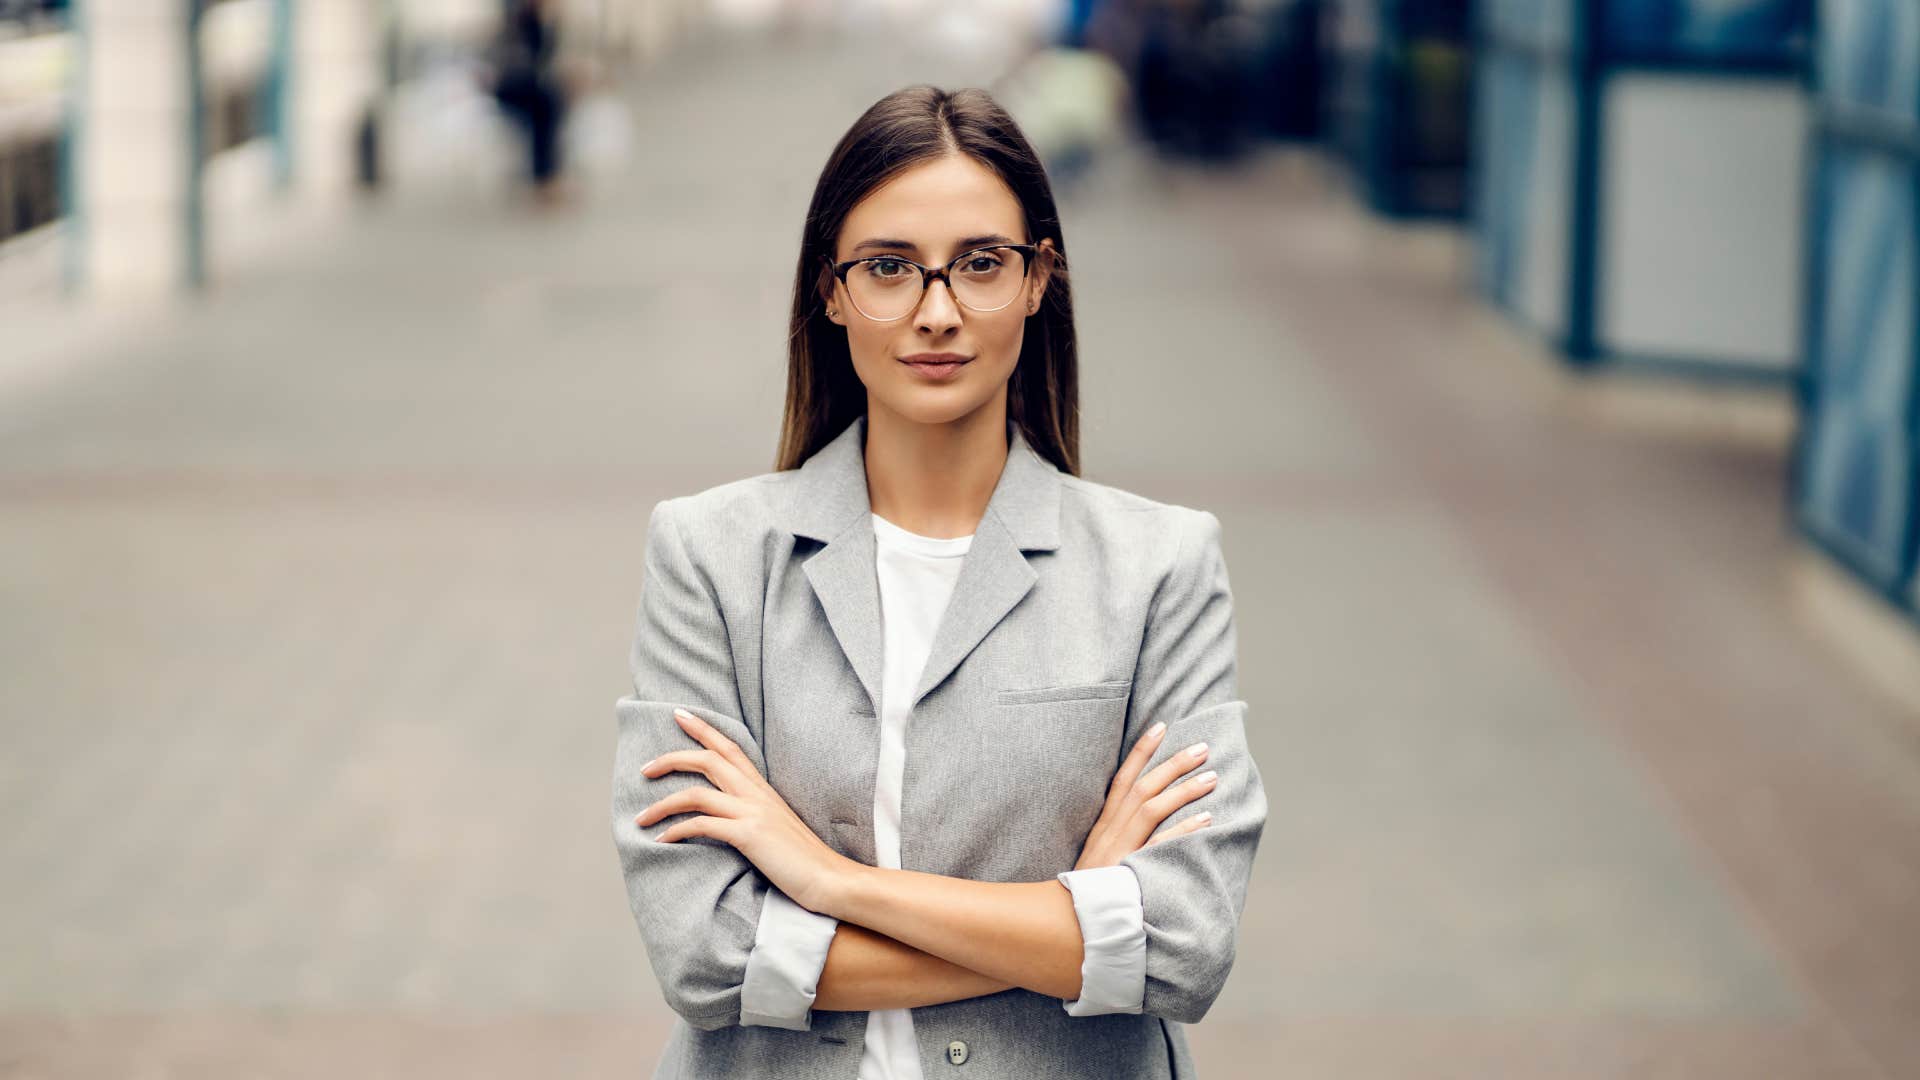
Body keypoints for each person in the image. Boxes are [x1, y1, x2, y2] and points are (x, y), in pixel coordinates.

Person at [609, 85, 1266, 1079]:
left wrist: (825, 881)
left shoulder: (1158, 568)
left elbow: (1184, 944)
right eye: (888, 269)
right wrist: (1067, 922)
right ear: (830, 291)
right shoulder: (710, 557)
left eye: (981, 264)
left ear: (1040, 279)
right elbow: (704, 952)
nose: (938, 311)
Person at [487, 0, 568, 203]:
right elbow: (513, 63)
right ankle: (545, 180)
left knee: (551, 101)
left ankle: (548, 177)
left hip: (531, 86)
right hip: (510, 86)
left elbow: (545, 63)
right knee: (546, 104)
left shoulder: (544, 20)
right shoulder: (518, 18)